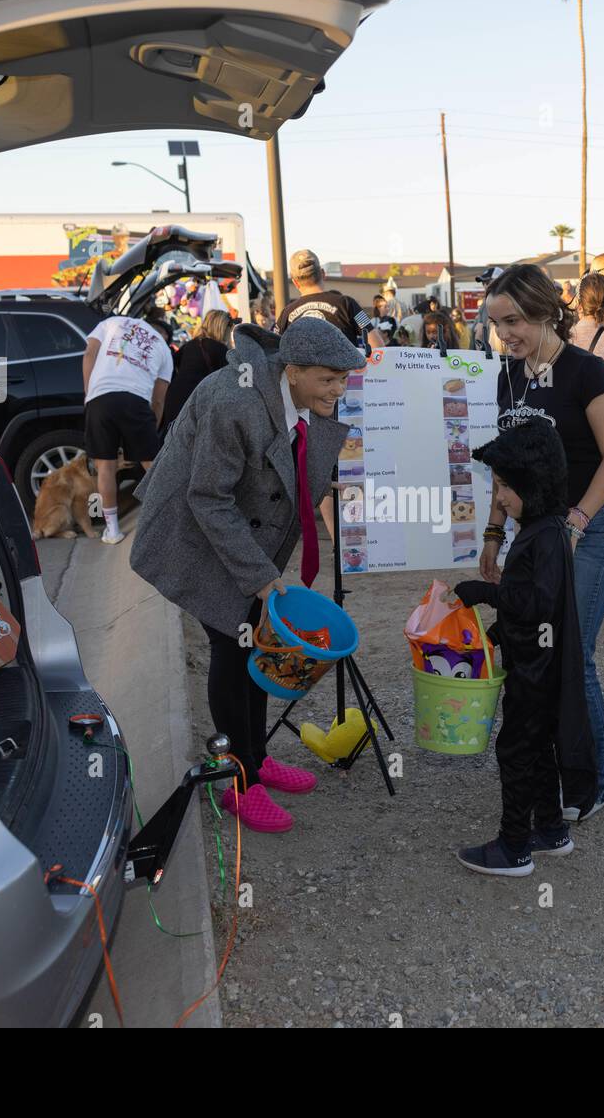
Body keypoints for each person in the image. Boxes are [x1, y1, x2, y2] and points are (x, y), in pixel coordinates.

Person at [130, 320, 363, 833]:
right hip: (197, 534)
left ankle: (255, 757)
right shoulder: (232, 400)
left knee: (257, 643)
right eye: (329, 379)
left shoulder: (303, 395)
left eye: (344, 379)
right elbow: (207, 497)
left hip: (244, 537)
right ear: (294, 370)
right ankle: (237, 781)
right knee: (232, 647)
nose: (338, 389)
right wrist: (260, 578)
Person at [484, 262, 604, 818]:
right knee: (538, 654)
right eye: (498, 325)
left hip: (593, 529)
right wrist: (495, 536)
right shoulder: (509, 375)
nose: (506, 336)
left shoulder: (587, 372)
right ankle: (558, 769)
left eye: (515, 321)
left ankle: (592, 782)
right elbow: (506, 466)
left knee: (575, 654)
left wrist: (576, 521)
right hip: (537, 536)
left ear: (547, 311)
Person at [450, 420, 593, 876]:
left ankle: (514, 848)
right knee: (537, 749)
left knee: (516, 751)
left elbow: (537, 603)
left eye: (508, 486)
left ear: (535, 482)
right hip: (535, 662)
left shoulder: (548, 536)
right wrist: (492, 636)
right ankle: (550, 830)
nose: (500, 498)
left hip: (538, 671)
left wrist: (485, 593)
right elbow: (531, 606)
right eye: (497, 486)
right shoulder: (539, 529)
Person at [81, 308, 173, 545]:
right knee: (152, 465)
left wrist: (89, 393)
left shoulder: (114, 322)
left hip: (99, 397)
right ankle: (169, 521)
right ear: (165, 336)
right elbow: (159, 399)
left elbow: (89, 353)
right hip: (135, 400)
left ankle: (112, 530)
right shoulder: (165, 351)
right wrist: (151, 428)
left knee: (105, 466)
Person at [275, 248, 384, 353]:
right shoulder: (348, 304)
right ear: (323, 273)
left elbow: (274, 353)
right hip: (346, 371)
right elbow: (378, 346)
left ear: (295, 282)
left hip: (302, 371)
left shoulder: (285, 314)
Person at [161, 309, 233, 432]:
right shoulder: (220, 350)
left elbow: (171, 363)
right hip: (196, 403)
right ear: (223, 329)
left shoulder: (191, 344)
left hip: (174, 397)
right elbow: (228, 382)